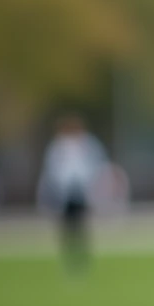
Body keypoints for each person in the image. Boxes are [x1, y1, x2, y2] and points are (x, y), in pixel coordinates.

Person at [37, 114, 107, 271]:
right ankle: (70, 257)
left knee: (81, 225)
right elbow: (53, 169)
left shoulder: (88, 144)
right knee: (67, 226)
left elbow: (96, 164)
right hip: (65, 191)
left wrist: (92, 184)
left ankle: (81, 257)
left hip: (81, 190)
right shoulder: (58, 146)